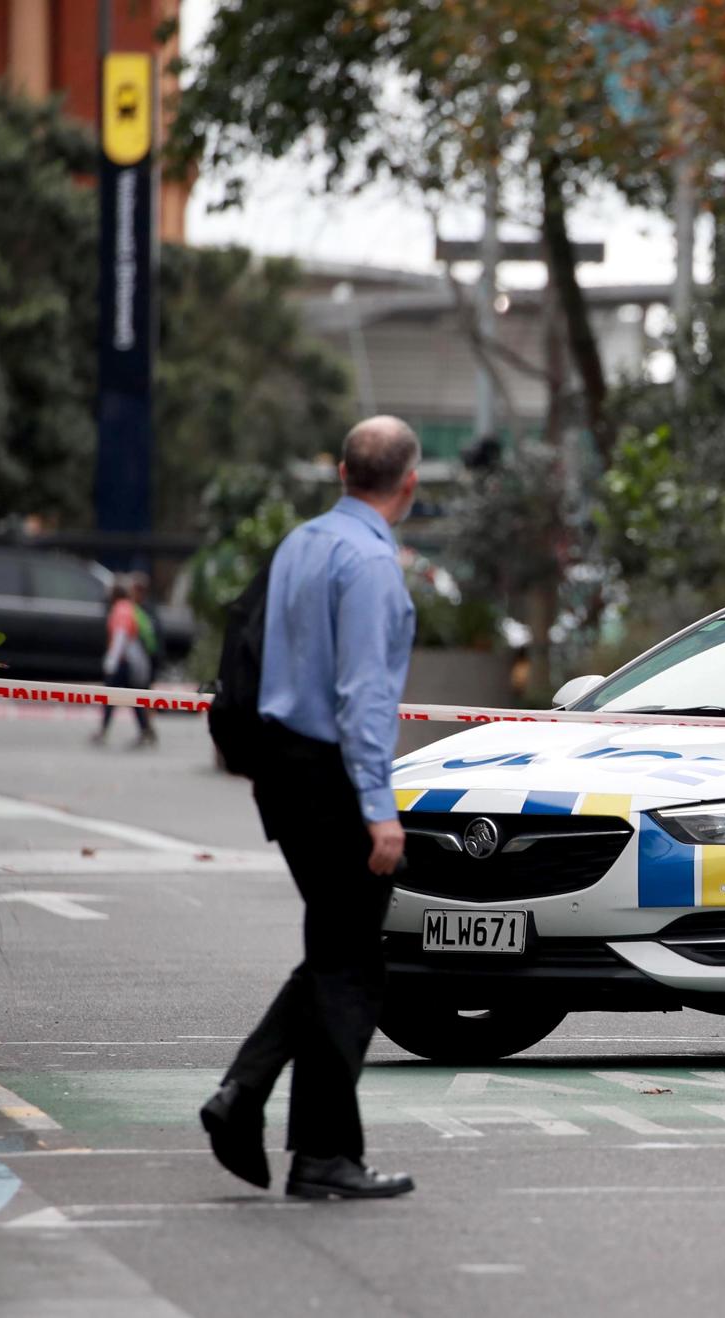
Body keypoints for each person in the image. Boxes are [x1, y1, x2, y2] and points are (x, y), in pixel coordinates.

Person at [200, 416, 420, 1201]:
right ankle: (317, 1150)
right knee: (353, 963)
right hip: (333, 778)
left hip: (281, 770)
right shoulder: (369, 563)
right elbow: (364, 697)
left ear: (340, 471)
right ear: (410, 483)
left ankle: (251, 1102)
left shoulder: (300, 543)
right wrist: (378, 808)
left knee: (337, 952)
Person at [94, 578, 156, 747]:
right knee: (132, 698)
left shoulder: (120, 609)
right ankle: (145, 730)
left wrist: (111, 662)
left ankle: (104, 731)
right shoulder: (129, 607)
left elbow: (120, 636)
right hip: (132, 661)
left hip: (123, 662)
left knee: (111, 697)